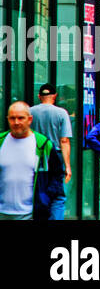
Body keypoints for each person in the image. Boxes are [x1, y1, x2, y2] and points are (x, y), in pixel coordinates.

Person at [0, 102, 65, 221]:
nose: (16, 122)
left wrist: (46, 202)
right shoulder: (1, 142)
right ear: (7, 119)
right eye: (12, 118)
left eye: (21, 118)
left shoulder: (43, 145)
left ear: (30, 119)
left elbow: (56, 179)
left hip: (31, 214)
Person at [29, 84, 72, 220]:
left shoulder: (29, 112)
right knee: (58, 195)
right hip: (56, 156)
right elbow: (64, 140)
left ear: (39, 96)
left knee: (37, 189)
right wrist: (67, 166)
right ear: (55, 96)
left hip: (35, 155)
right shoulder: (61, 113)